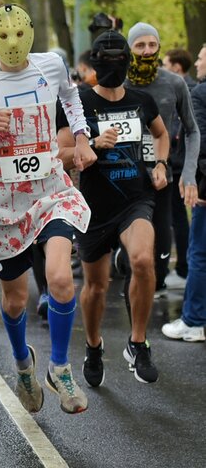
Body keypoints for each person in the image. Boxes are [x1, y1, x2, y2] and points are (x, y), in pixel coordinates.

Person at [0, 4, 96, 415]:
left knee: (61, 279)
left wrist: (82, 138)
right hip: (4, 203)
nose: (13, 43)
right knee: (15, 300)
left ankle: (60, 367)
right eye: (4, 35)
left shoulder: (52, 64)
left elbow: (71, 96)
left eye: (20, 33)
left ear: (30, 31)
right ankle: (22, 364)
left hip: (51, 190)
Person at [57, 30, 169, 384]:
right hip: (93, 206)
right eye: (106, 61)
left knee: (142, 260)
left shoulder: (140, 100)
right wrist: (92, 145)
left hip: (135, 197)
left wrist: (161, 165)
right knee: (97, 287)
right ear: (94, 63)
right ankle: (93, 346)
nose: (114, 66)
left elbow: (162, 134)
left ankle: (137, 343)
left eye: (120, 59)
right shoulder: (77, 105)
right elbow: (61, 157)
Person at [123, 23, 199, 296]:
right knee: (129, 252)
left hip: (161, 174)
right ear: (129, 49)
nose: (146, 51)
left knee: (162, 231)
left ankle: (157, 280)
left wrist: (189, 174)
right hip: (124, 176)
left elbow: (192, 129)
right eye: (140, 46)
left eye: (152, 45)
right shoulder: (118, 82)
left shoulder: (174, 82)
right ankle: (133, 278)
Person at [161, 45, 206, 343]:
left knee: (199, 252)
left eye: (202, 58)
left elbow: (200, 142)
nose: (199, 62)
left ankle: (193, 320)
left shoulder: (200, 94)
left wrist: (197, 183)